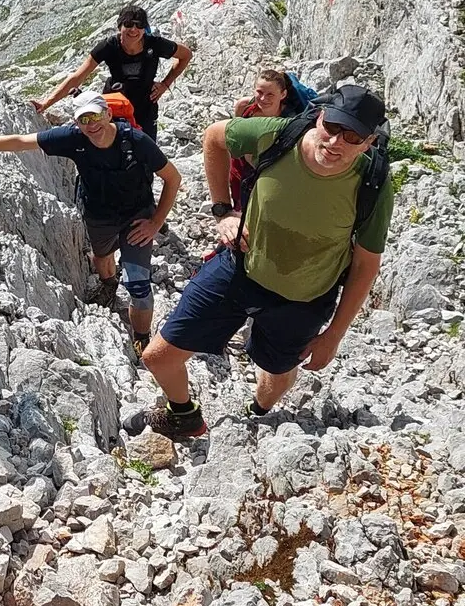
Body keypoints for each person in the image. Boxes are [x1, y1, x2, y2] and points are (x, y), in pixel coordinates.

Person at [123, 85, 394, 439]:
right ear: (320, 117)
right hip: (241, 269)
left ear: (369, 142)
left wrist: (334, 335)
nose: (336, 142)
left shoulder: (372, 183)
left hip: (305, 298)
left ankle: (259, 411)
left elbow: (365, 265)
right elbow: (215, 137)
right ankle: (184, 415)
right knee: (157, 356)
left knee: (276, 371)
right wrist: (222, 211)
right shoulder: (281, 135)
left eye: (353, 137)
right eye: (333, 127)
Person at [0, 91, 182, 357]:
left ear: (109, 114)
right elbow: (21, 142)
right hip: (98, 215)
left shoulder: (135, 141)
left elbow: (173, 178)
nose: (92, 124)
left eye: (97, 115)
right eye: (84, 119)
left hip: (137, 218)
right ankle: (109, 284)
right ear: (76, 123)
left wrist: (155, 222)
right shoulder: (74, 139)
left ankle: (142, 339)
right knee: (102, 255)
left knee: (139, 286)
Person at [32, 5, 193, 141]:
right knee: (110, 148)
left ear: (144, 29)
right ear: (120, 26)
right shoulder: (109, 46)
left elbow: (186, 55)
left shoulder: (155, 44)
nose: (134, 30)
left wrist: (165, 84)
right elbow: (78, 77)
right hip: (113, 107)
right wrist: (46, 104)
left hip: (145, 106)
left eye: (139, 25)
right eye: (129, 24)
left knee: (146, 154)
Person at [228, 69, 299, 210]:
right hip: (241, 171)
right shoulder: (244, 107)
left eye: (270, 94)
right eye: (259, 92)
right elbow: (235, 135)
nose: (263, 99)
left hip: (270, 173)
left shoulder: (291, 120)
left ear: (283, 94)